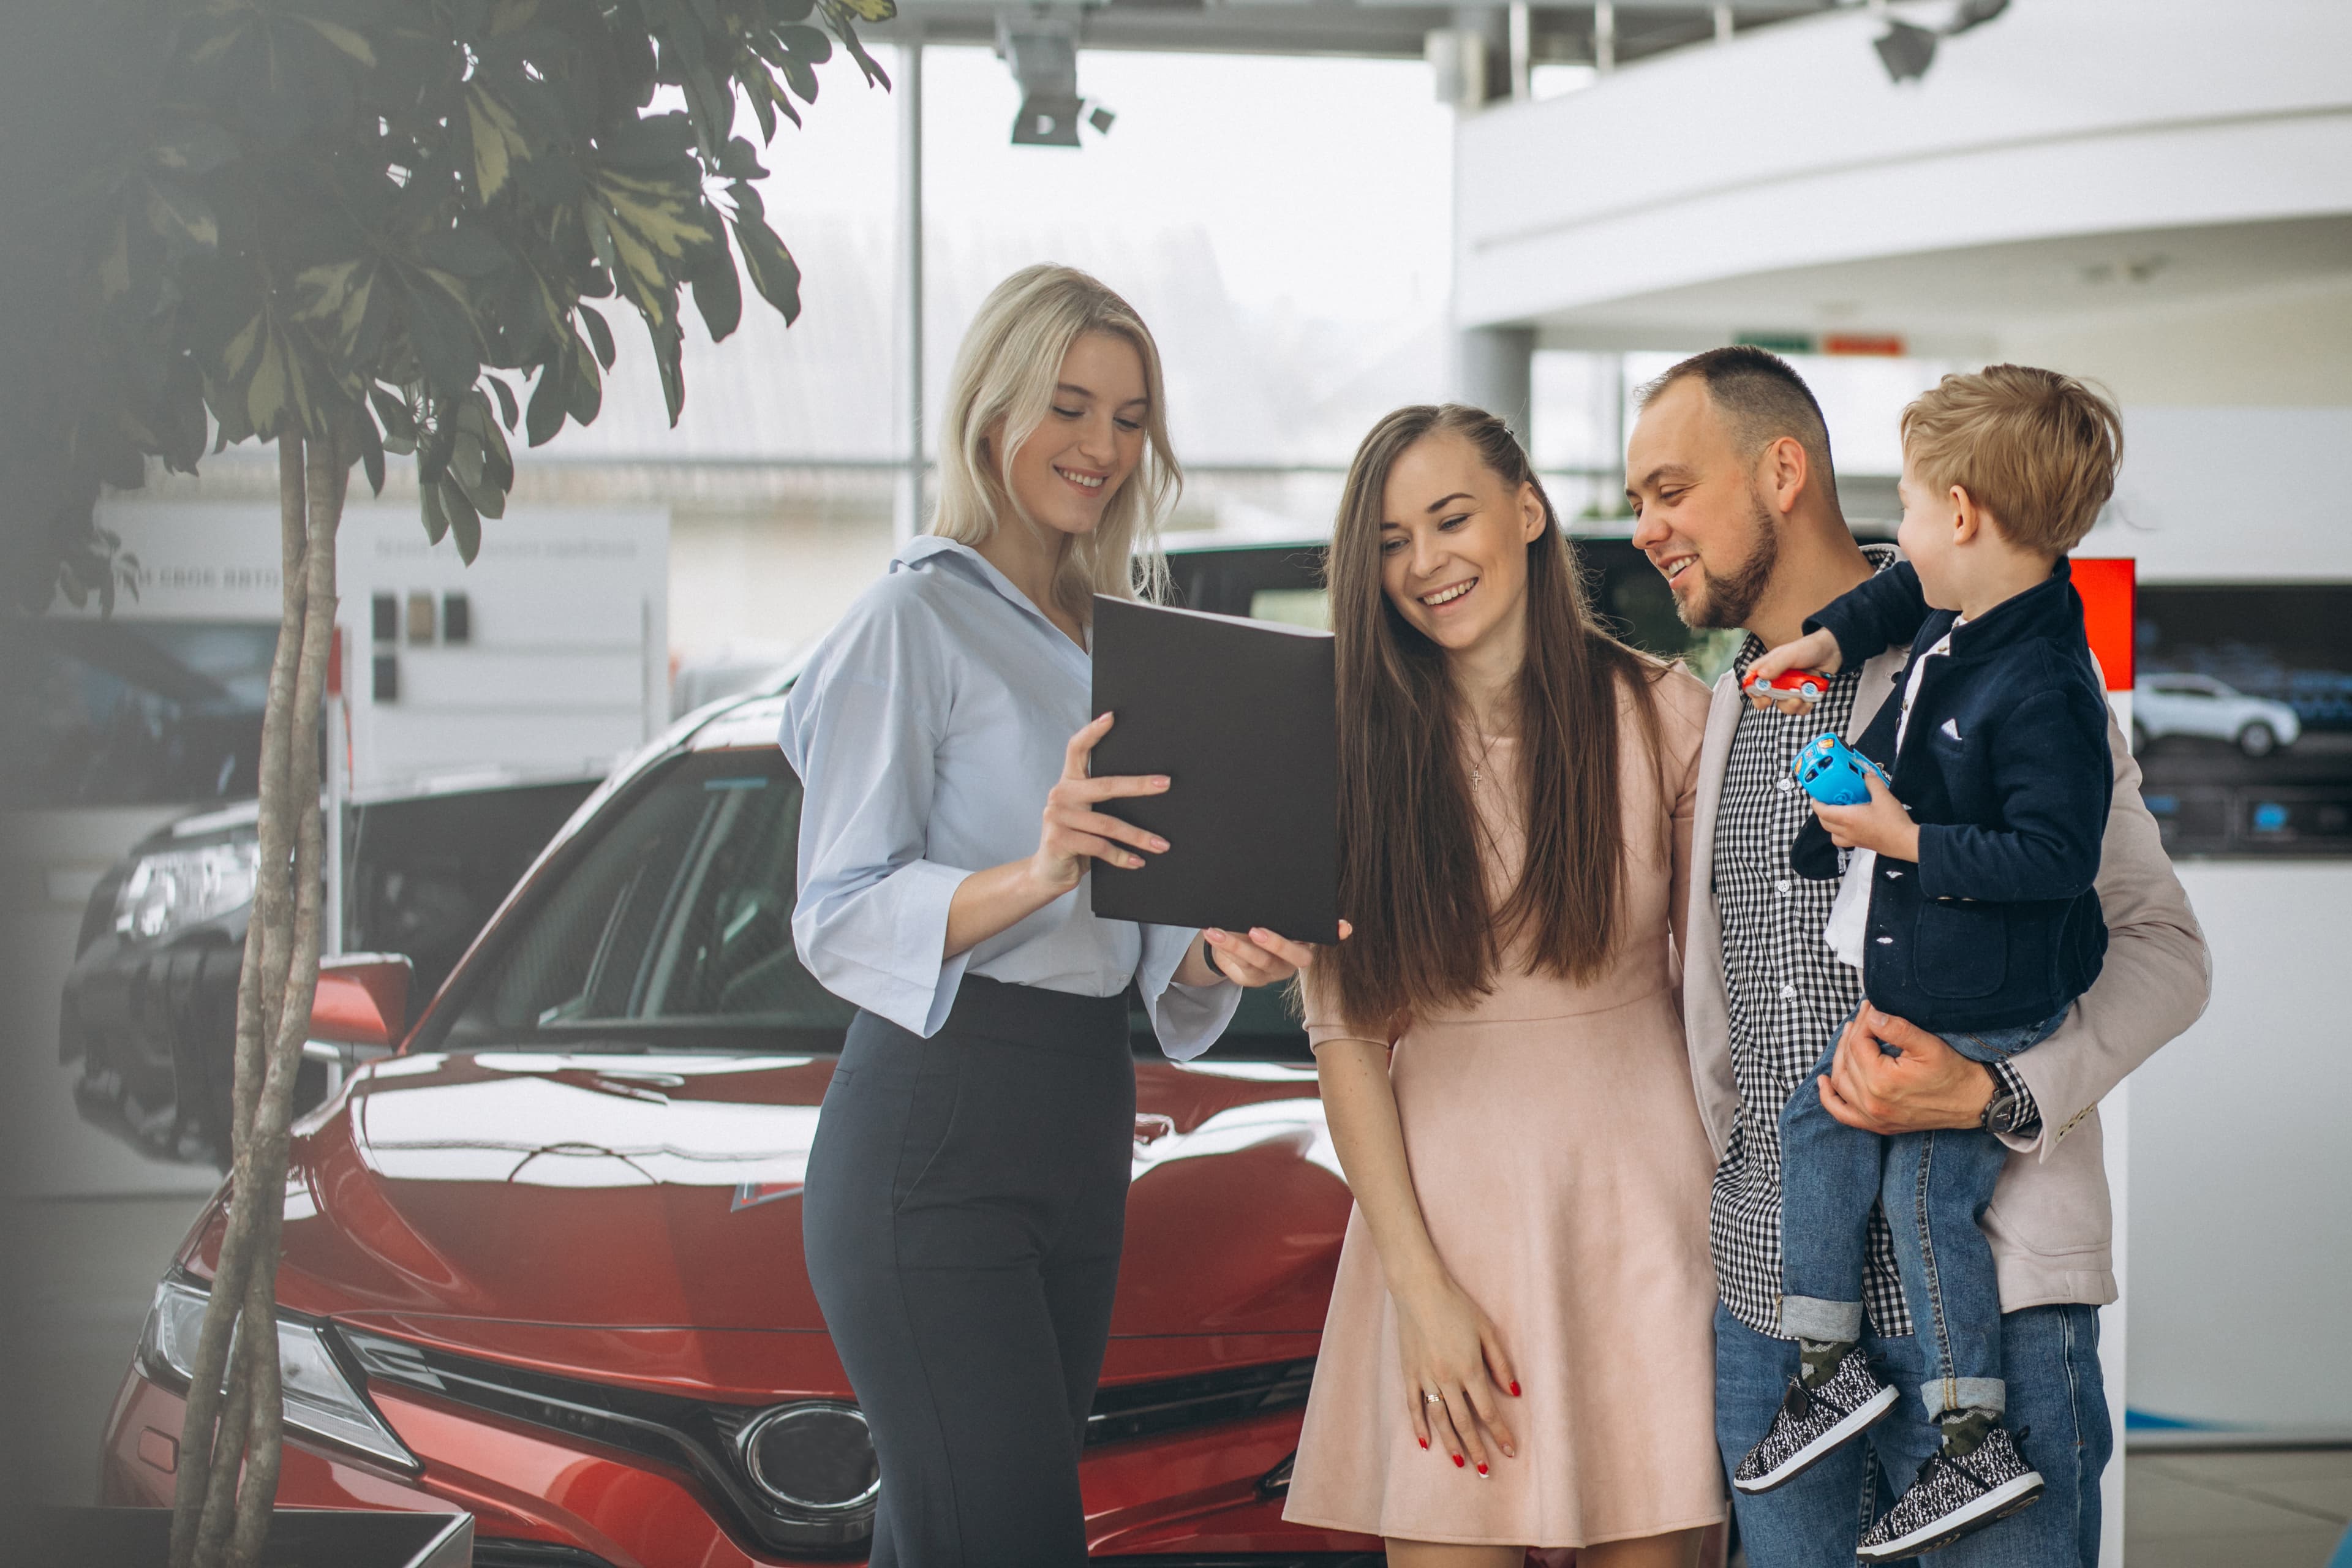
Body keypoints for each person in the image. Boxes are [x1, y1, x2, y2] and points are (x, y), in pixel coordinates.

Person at [1622, 345, 2209, 1568]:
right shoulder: (1727, 706)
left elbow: (2165, 950)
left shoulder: (2001, 664)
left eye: (1669, 490)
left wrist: (1997, 1089)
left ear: (1783, 471)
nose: (1645, 529)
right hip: (1774, 1317)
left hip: (1989, 1306)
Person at [778, 264, 1325, 1568]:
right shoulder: (912, 616)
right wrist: (1036, 869)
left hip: (1083, 1112)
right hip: (938, 1122)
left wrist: (1217, 954)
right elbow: (837, 911)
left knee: (955, 1538)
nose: (1102, 446)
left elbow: (1137, 940)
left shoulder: (1117, 640)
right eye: (1070, 407)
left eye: (1130, 418)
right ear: (993, 412)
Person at [1281, 404, 1724, 1568]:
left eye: (1450, 518)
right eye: (1390, 541)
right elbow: (1345, 1038)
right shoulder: (1347, 751)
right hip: (1441, 1234)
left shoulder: (1668, 715)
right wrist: (1420, 1292)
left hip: (1646, 1228)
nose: (1425, 562)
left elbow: (1724, 1004)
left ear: (1527, 512)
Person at [1731, 368, 2124, 1562]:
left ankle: (1969, 1433)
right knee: (1820, 1124)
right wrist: (1822, 640)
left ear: (1961, 512)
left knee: (1920, 1197)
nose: (1892, 535)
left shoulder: (2049, 685)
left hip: (1983, 1012)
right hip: (1922, 993)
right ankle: (1829, 1363)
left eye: (1905, 505)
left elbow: (2060, 859)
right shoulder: (1967, 603)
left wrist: (1901, 837)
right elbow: (1899, 587)